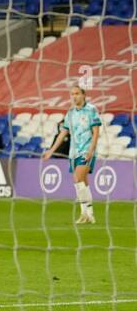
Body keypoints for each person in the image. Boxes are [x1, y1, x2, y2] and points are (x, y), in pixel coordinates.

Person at [42, 84, 102, 224]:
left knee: (78, 178)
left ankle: (84, 214)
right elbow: (63, 133)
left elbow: (96, 133)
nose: (74, 96)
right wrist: (51, 150)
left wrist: (90, 151)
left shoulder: (91, 110)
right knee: (82, 182)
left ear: (83, 95)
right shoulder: (70, 113)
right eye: (72, 94)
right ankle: (89, 214)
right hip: (73, 153)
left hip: (87, 150)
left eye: (77, 93)